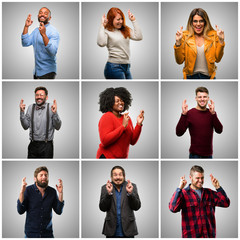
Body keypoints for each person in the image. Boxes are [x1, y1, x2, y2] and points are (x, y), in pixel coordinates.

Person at [169, 165, 230, 238]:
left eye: (202, 178)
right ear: (190, 178)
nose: (200, 180)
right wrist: (179, 188)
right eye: (197, 178)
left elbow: (226, 203)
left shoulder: (209, 193)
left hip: (209, 236)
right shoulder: (183, 193)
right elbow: (173, 208)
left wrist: (218, 187)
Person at [174, 8, 225, 79]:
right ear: (191, 22)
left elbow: (218, 59)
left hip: (209, 77)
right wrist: (178, 42)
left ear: (205, 22)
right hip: (190, 77)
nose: (198, 24)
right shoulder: (184, 36)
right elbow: (179, 61)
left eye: (201, 21)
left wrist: (221, 41)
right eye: (195, 21)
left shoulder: (214, 35)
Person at [96, 87, 144, 158]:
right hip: (107, 157)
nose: (120, 103)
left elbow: (132, 141)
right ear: (110, 103)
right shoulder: (107, 117)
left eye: (121, 100)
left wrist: (139, 124)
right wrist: (123, 126)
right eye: (117, 101)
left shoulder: (126, 118)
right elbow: (105, 141)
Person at [17, 166, 64, 238]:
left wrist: (60, 193)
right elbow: (20, 211)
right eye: (41, 175)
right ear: (35, 178)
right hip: (31, 235)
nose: (44, 177)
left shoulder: (52, 191)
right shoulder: (28, 190)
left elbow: (59, 211)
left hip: (47, 235)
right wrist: (21, 192)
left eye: (46, 175)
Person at [176, 86, 222, 158]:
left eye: (204, 97)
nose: (202, 99)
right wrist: (183, 114)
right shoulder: (190, 113)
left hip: (209, 155)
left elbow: (219, 130)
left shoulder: (211, 113)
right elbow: (179, 133)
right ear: (196, 98)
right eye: (200, 97)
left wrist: (213, 114)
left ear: (208, 98)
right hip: (194, 155)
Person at [97, 8, 143, 79]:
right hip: (114, 67)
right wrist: (102, 26)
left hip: (127, 66)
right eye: (118, 19)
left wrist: (133, 20)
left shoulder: (125, 29)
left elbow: (139, 37)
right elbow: (101, 43)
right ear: (111, 19)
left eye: (122, 19)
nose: (121, 21)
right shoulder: (107, 31)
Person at [20, 86, 61, 158]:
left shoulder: (51, 107)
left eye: (41, 95)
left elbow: (58, 127)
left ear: (46, 97)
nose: (39, 97)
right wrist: (22, 112)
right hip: (33, 145)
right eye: (37, 95)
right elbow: (25, 126)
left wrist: (55, 113)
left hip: (47, 146)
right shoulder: (30, 107)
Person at [99, 166, 141, 237]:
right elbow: (102, 208)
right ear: (111, 177)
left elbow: (136, 207)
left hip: (128, 229)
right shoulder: (105, 187)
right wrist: (108, 194)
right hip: (111, 230)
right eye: (115, 175)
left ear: (124, 176)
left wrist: (130, 193)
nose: (118, 177)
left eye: (120, 174)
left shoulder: (131, 186)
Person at [22, 7, 59, 79]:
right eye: (40, 13)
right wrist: (26, 26)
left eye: (45, 13)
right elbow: (25, 43)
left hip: (48, 72)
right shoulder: (36, 30)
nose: (42, 15)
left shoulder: (54, 31)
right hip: (36, 72)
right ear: (38, 16)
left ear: (50, 18)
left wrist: (44, 35)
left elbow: (53, 52)